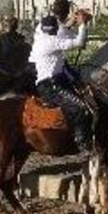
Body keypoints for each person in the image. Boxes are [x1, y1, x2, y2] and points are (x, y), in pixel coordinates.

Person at [30, 9, 93, 152]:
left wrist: (73, 20)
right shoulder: (52, 42)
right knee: (80, 107)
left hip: (56, 79)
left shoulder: (41, 36)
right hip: (50, 85)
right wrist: (82, 24)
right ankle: (82, 141)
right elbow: (79, 42)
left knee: (85, 95)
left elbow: (63, 31)